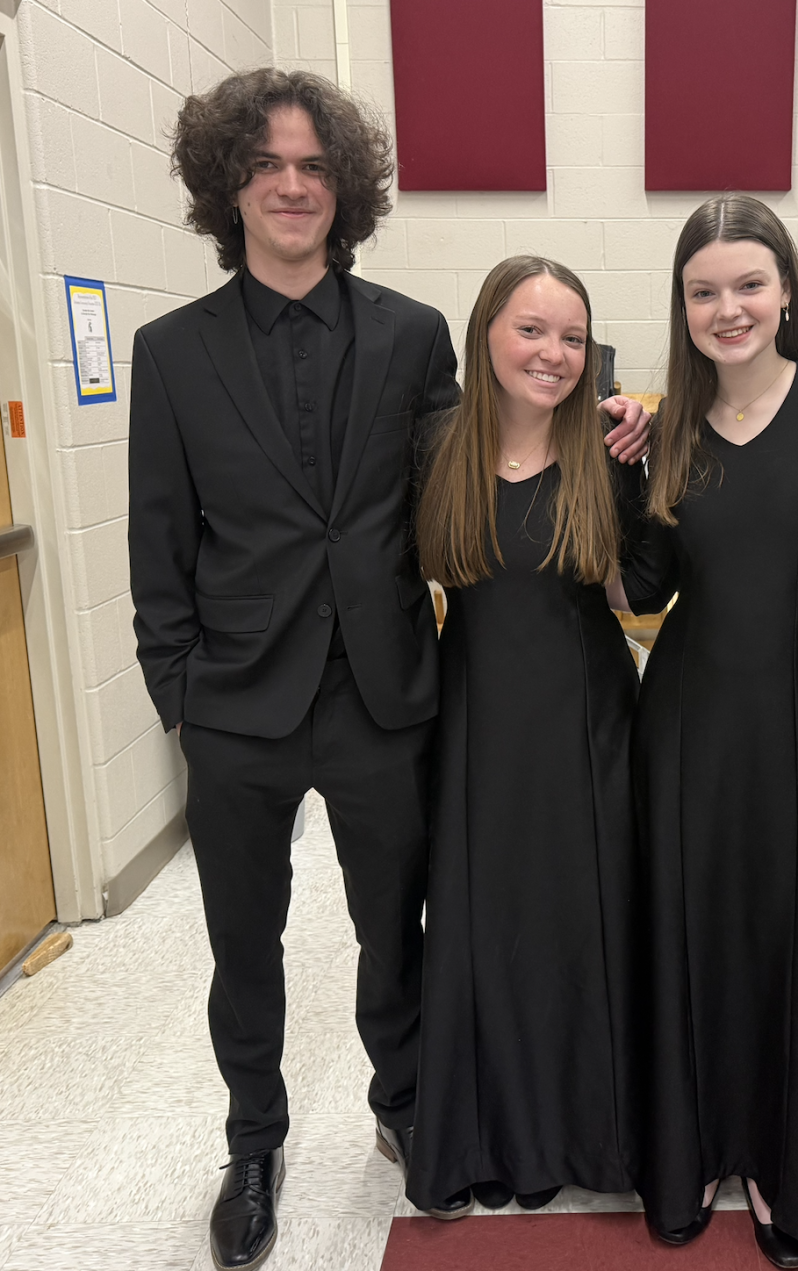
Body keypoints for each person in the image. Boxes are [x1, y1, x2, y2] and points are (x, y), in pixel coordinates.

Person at [128, 70, 648, 1271]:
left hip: (384, 695)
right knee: (243, 945)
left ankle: (406, 1097)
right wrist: (180, 698)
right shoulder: (171, 352)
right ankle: (252, 1142)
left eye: (315, 165)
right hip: (238, 708)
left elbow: (490, 453)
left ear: (345, 187)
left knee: (393, 928)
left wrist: (613, 426)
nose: (292, 184)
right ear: (228, 183)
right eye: (268, 164)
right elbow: (157, 542)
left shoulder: (413, 335)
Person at [620, 194, 798, 1269]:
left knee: (787, 938)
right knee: (694, 932)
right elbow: (645, 587)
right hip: (686, 721)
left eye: (748, 285)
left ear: (785, 291)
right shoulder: (670, 424)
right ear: (681, 305)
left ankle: (783, 1156)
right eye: (703, 291)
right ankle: (694, 1146)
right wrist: (615, 473)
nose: (727, 309)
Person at [406, 256, 645, 1220]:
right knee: (490, 927)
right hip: (478, 720)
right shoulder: (436, 447)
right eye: (532, 329)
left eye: (573, 337)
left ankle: (586, 1131)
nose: (553, 353)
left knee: (579, 926)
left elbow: (638, 591)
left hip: (586, 723)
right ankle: (502, 1135)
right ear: (486, 334)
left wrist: (649, 461)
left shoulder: (607, 453)